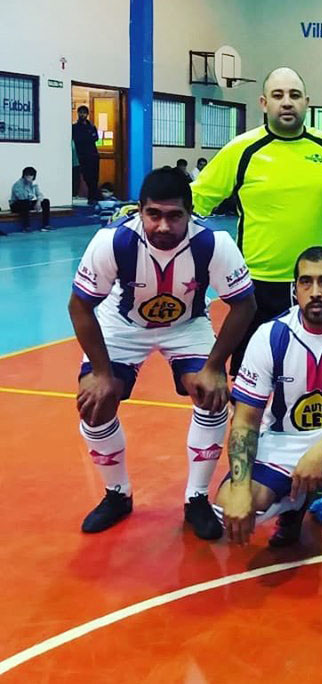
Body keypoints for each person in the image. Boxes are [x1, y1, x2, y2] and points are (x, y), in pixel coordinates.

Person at [68, 168, 257, 538]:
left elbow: (244, 305)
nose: (163, 226)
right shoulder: (113, 241)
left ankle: (196, 498)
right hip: (123, 325)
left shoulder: (213, 244)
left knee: (212, 395)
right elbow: (80, 306)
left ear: (190, 213)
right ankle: (117, 493)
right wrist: (102, 374)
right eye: (153, 214)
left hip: (186, 325)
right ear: (140, 210)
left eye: (174, 215)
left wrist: (215, 366)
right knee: (95, 403)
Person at [217, 247, 322, 590]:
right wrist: (238, 488)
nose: (315, 292)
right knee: (229, 508)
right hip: (284, 441)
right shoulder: (270, 335)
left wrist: (319, 452)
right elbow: (246, 421)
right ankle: (293, 505)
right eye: (306, 282)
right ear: (294, 289)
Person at [191, 66, 322, 379]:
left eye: (294, 95)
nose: (287, 102)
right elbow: (195, 200)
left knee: (318, 377)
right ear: (263, 102)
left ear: (306, 102)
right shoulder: (241, 150)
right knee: (249, 381)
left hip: (317, 283)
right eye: (278, 95)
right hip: (257, 287)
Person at [72, 105, 100, 205]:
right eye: (80, 113)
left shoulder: (91, 127)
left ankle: (93, 198)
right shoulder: (75, 127)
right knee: (86, 177)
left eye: (84, 113)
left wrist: (87, 138)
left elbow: (96, 138)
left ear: (87, 114)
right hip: (82, 156)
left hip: (93, 155)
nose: (82, 115)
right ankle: (91, 197)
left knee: (94, 178)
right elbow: (79, 139)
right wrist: (88, 138)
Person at [9, 166, 51, 232]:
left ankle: (45, 225)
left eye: (31, 175)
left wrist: (38, 202)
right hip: (16, 205)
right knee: (25, 202)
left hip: (27, 203)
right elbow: (22, 197)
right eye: (27, 175)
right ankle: (26, 227)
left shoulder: (34, 184)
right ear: (24, 175)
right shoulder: (18, 184)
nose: (29, 177)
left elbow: (40, 194)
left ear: (34, 176)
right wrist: (31, 187)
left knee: (46, 201)